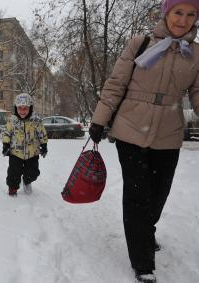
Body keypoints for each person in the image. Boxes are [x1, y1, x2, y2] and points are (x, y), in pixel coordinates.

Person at [89, 1, 199, 282]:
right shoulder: (140, 43)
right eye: (178, 12)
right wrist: (99, 120)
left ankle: (145, 232)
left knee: (158, 194)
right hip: (130, 129)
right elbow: (115, 84)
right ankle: (143, 262)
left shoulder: (196, 54)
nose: (183, 20)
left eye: (191, 14)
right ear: (166, 13)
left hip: (169, 132)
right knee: (138, 195)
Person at [2, 93, 48, 196]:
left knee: (33, 173)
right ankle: (12, 188)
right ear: (16, 108)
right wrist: (6, 145)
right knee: (14, 173)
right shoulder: (12, 120)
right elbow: (6, 133)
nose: (22, 111)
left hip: (32, 152)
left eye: (25, 108)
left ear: (30, 108)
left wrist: (44, 145)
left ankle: (27, 181)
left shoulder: (36, 120)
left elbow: (42, 133)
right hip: (15, 153)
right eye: (20, 108)